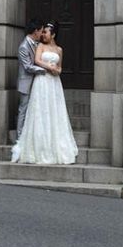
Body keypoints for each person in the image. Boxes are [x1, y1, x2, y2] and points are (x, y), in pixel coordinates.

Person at [11, 21, 78, 164]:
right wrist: (49, 67)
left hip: (54, 82)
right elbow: (36, 61)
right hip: (42, 80)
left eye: (46, 32)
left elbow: (60, 67)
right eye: (42, 32)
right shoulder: (40, 46)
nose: (43, 34)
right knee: (40, 109)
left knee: (54, 109)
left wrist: (57, 70)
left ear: (53, 35)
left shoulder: (59, 49)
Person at [15, 18, 59, 139]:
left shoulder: (36, 44)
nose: (42, 34)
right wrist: (46, 69)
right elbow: (28, 66)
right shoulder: (24, 46)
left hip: (37, 82)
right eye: (41, 31)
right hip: (26, 83)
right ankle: (19, 138)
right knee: (23, 110)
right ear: (36, 31)